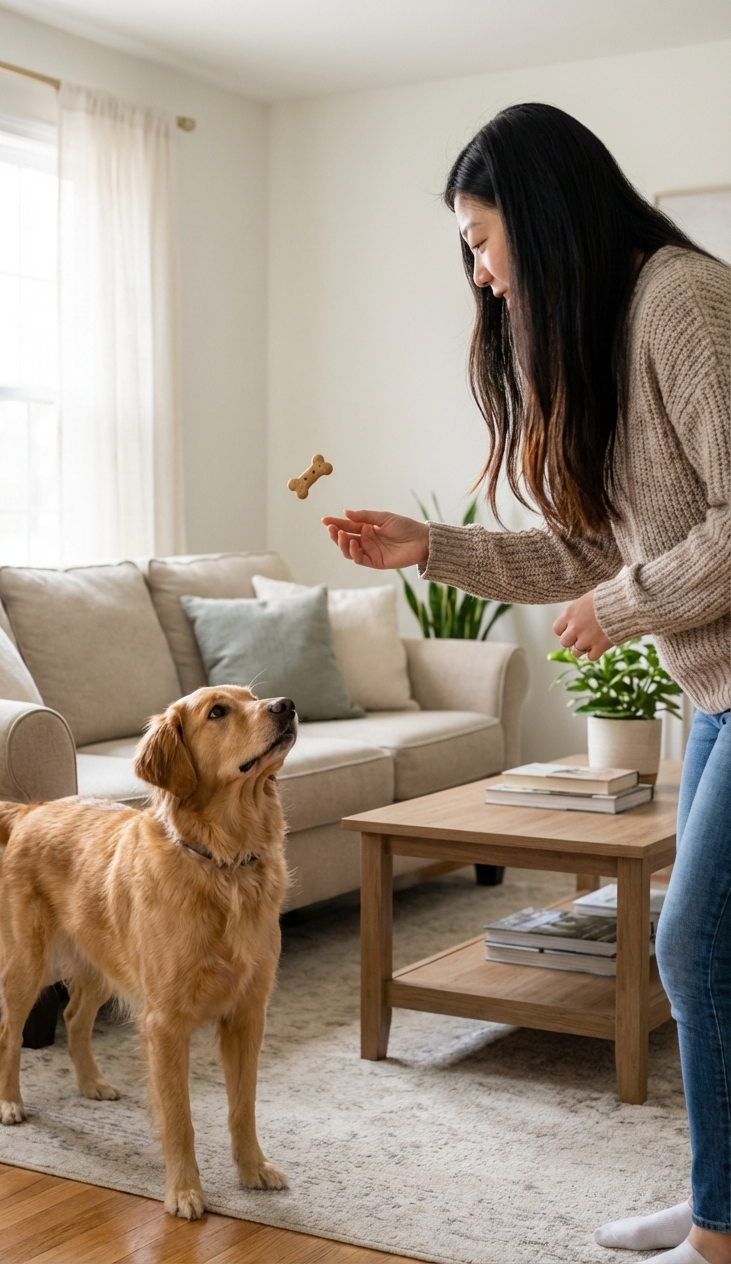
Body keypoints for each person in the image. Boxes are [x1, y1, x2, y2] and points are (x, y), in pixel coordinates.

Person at [323, 103, 730, 1264]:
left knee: (692, 949)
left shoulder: (679, 304)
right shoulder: (609, 331)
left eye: (480, 236)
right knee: (709, 957)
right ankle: (719, 1195)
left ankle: (714, 1232)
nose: (478, 270)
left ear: (542, 221)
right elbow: (588, 549)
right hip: (713, 692)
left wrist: (625, 608)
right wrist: (428, 547)